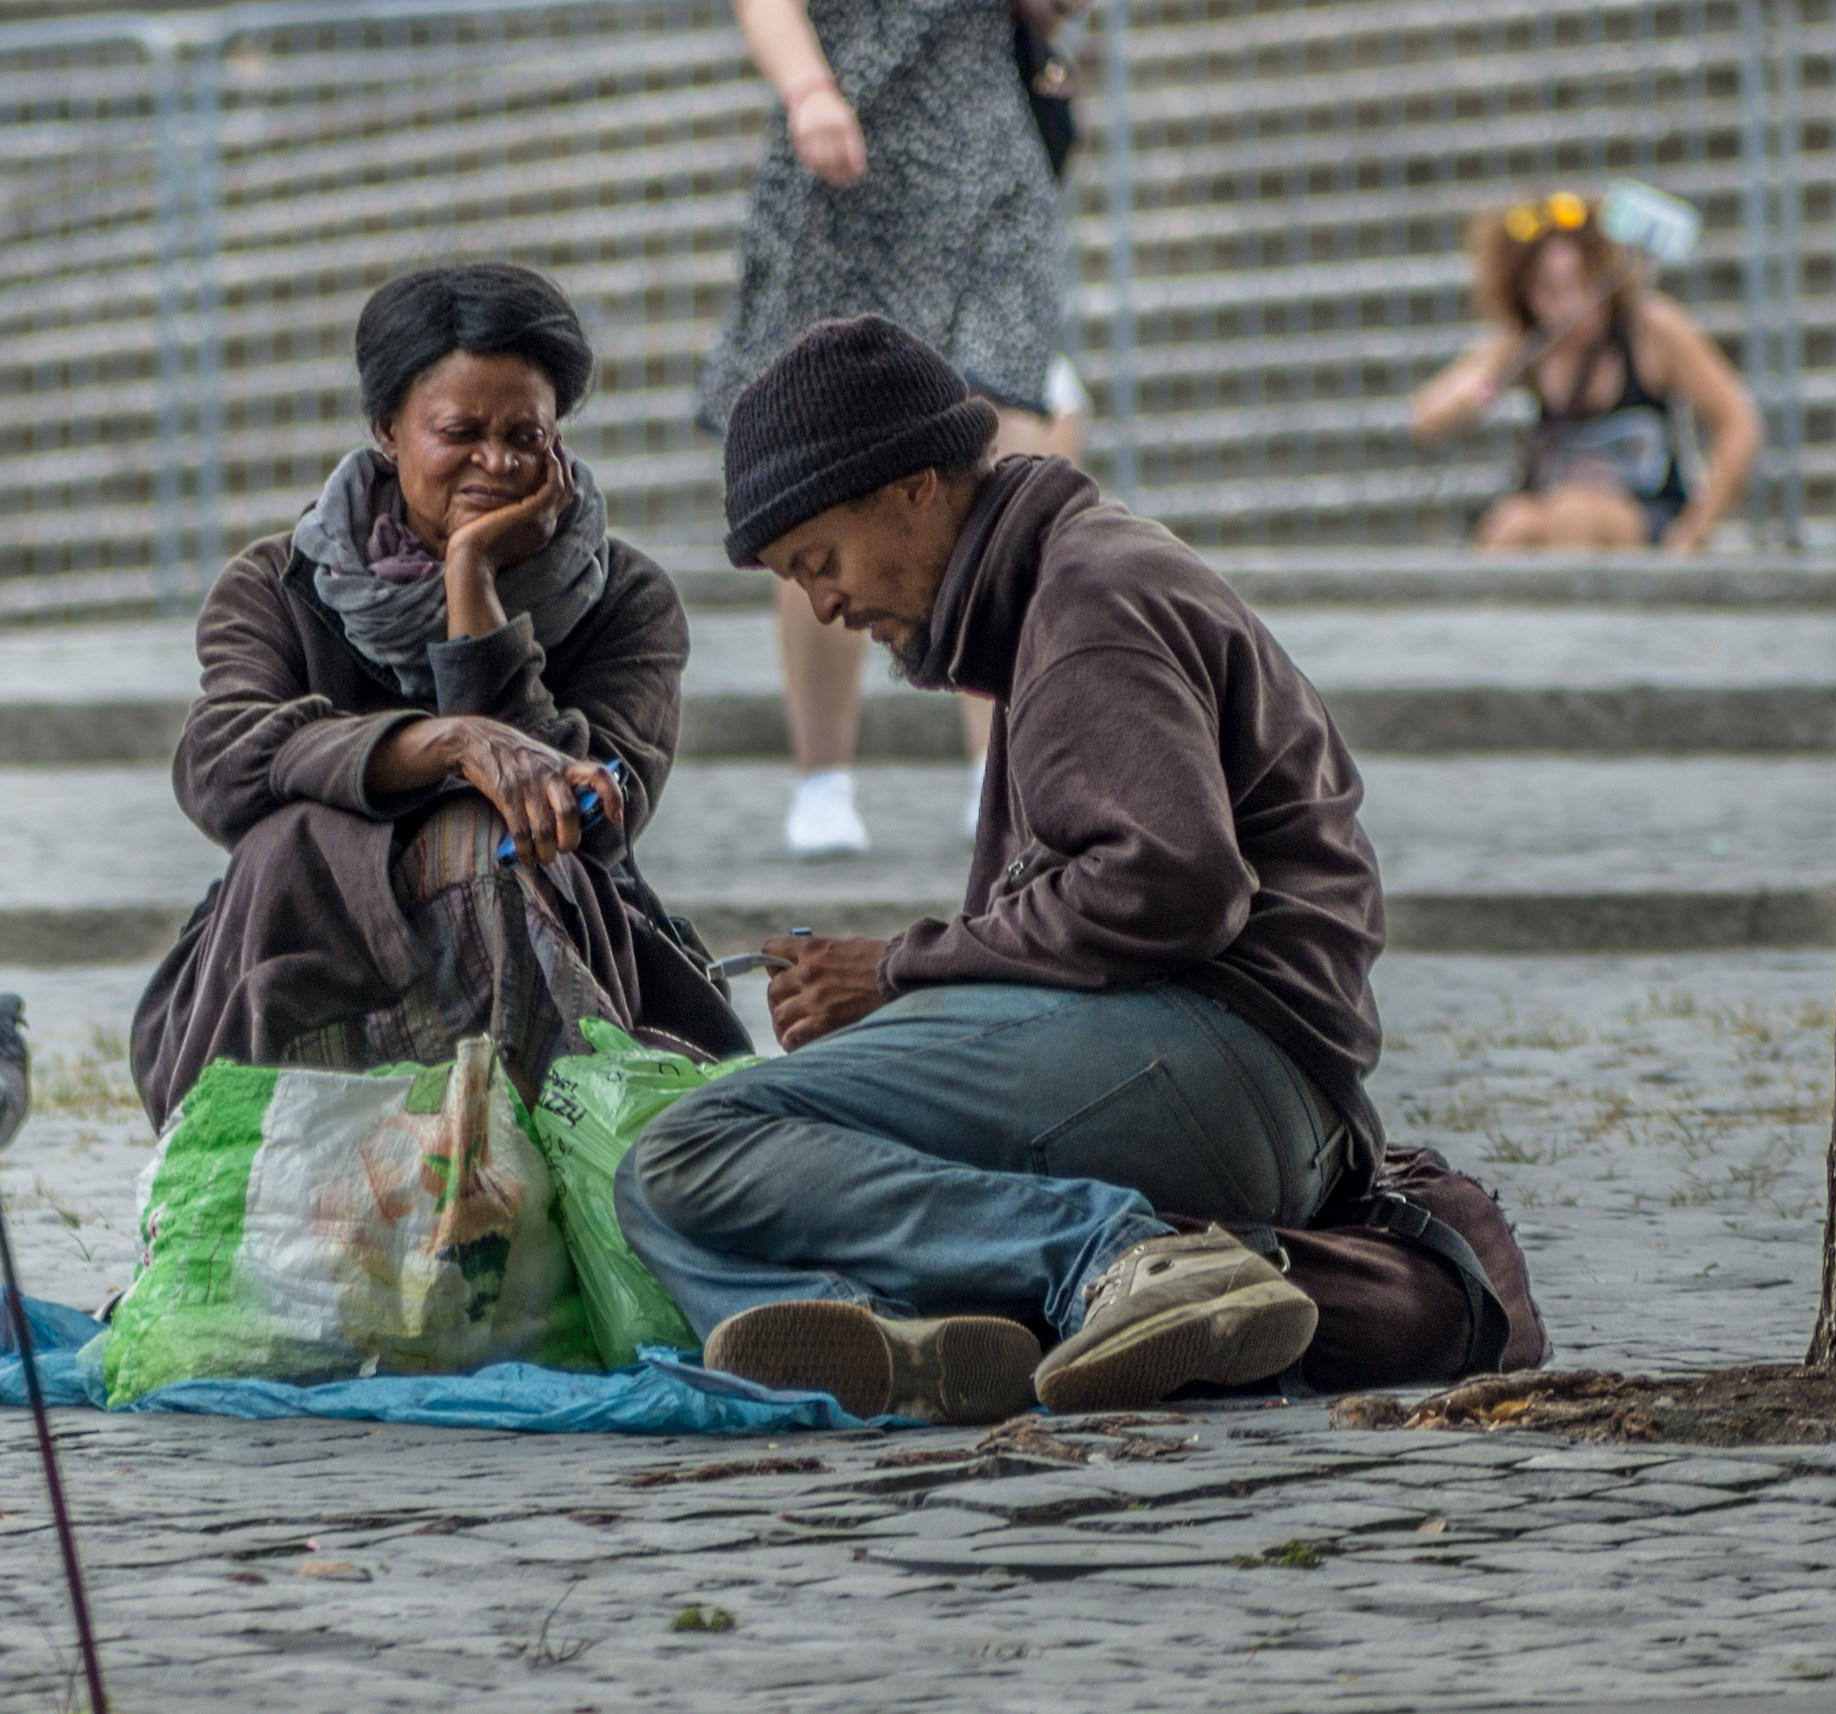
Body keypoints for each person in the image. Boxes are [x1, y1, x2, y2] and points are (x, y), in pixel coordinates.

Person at [616, 316, 1387, 1423]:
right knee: (740, 1164)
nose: (825, 605)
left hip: (1226, 1063)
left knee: (690, 1152)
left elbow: (1173, 884)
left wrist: (897, 969)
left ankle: (1115, 1259)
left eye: (819, 561)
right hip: (1242, 1078)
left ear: (914, 487)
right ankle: (922, 1341)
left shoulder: (1085, 605)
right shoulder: (1061, 582)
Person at [131, 264, 751, 1128]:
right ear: (388, 428)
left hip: (551, 955)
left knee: (503, 838)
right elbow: (223, 763)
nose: (495, 462)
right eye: (459, 431)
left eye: (525, 436)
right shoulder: (279, 584)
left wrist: (474, 580)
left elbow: (597, 818)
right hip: (301, 957)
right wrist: (450, 744)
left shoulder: (628, 601)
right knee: (295, 839)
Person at [701, 0, 1083, 859]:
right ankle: (824, 776)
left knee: (1005, 434)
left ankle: (1003, 763)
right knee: (818, 479)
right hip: (848, 153)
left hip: (984, 152)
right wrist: (807, 91)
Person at [1411, 190, 1763, 552]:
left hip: (1641, 511)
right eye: (1550, 291)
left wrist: (1696, 529)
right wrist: (1466, 398)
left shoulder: (1650, 329)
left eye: (1580, 283)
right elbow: (1428, 414)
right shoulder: (1525, 343)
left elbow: (1739, 423)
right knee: (1512, 523)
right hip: (1552, 501)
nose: (1571, 304)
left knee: (1574, 513)